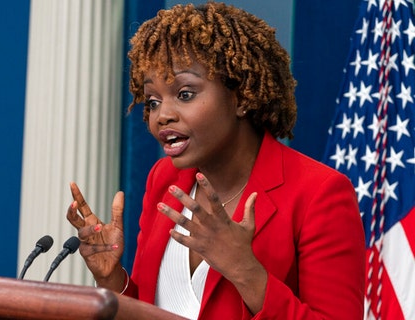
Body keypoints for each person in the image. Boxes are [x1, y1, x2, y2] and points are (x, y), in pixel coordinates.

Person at [66, 2, 365, 319]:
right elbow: (151, 309)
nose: (162, 115)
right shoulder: (164, 179)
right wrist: (112, 279)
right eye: (153, 101)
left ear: (241, 97)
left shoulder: (319, 193)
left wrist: (245, 270)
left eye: (184, 94)